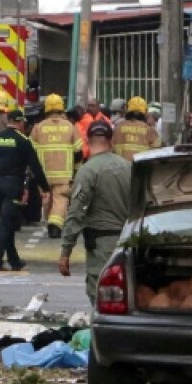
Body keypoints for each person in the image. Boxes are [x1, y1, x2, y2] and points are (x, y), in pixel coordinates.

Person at [57, 120, 132, 304]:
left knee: (101, 293)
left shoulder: (88, 171)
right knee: (126, 290)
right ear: (111, 140)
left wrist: (66, 251)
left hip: (101, 245)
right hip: (129, 241)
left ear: (87, 140)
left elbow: (76, 214)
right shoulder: (128, 167)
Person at [0, 100, 51, 271]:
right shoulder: (23, 141)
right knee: (5, 224)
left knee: (6, 222)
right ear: (20, 122)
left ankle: (14, 260)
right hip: (13, 186)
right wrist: (45, 188)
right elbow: (35, 167)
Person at [30, 93, 83, 239]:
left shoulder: (38, 128)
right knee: (60, 199)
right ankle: (55, 225)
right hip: (64, 174)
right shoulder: (70, 127)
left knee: (46, 199)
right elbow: (79, 152)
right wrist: (77, 170)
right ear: (62, 109)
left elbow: (31, 152)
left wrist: (32, 172)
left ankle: (50, 221)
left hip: (43, 174)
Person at [110, 96, 161, 162]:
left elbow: (111, 149)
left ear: (127, 110)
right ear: (145, 112)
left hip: (122, 169)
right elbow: (157, 153)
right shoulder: (150, 130)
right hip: (142, 169)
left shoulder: (118, 128)